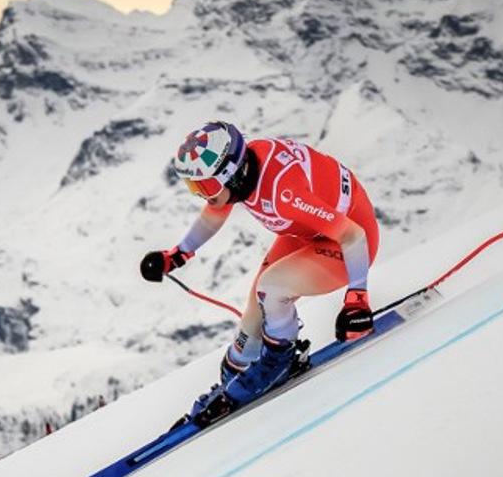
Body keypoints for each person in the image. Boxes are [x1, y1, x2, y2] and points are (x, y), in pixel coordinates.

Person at [140, 120, 380, 414]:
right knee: (247, 334)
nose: (202, 193)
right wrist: (178, 254)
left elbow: (352, 234)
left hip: (350, 243)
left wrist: (357, 301)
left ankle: (280, 361)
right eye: (195, 186)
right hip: (310, 233)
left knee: (272, 288)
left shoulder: (284, 194)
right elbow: (214, 211)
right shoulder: (241, 173)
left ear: (231, 174)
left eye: (205, 185)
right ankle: (242, 372)